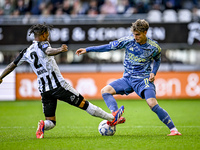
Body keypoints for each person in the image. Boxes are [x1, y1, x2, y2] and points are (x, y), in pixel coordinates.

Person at [0, 23, 124, 139]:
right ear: (43, 34)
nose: (48, 37)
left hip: (44, 90)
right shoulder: (44, 44)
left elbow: (12, 65)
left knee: (51, 121)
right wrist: (59, 50)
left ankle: (43, 124)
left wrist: (1, 77)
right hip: (59, 86)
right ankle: (112, 118)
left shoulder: (26, 51)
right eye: (47, 34)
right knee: (85, 104)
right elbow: (48, 51)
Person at [76, 19, 182, 136]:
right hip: (127, 79)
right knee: (105, 91)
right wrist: (88, 49)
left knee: (152, 103)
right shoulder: (128, 41)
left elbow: (157, 59)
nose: (135, 37)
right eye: (134, 34)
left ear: (145, 33)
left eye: (138, 34)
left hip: (143, 79)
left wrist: (154, 72)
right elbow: (108, 47)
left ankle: (174, 130)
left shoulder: (154, 47)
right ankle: (115, 114)